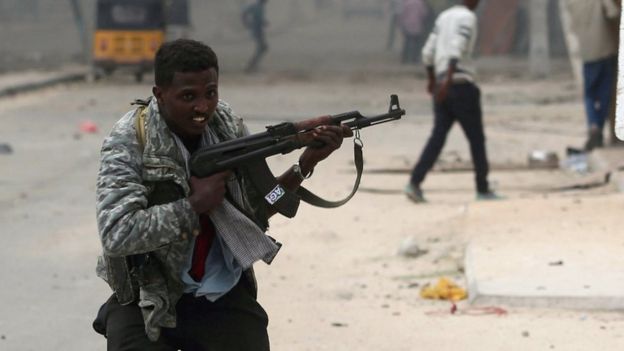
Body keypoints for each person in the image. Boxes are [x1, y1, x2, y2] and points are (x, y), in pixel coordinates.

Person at [92, 39, 351, 350]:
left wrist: (305, 163)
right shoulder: (130, 140)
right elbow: (117, 233)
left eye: (210, 93)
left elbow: (256, 212)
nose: (202, 107)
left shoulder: (225, 124)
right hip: (148, 294)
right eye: (188, 97)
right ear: (159, 95)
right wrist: (192, 207)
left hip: (219, 292)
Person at [405, 0, 500, 203]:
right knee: (476, 139)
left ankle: (414, 182)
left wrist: (433, 81)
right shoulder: (468, 17)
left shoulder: (444, 17)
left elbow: (428, 52)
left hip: (442, 85)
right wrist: (448, 81)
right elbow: (457, 48)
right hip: (460, 85)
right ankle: (482, 188)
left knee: (437, 137)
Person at [564, 0, 620, 151]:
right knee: (604, 94)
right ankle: (598, 127)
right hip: (605, 49)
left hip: (586, 52)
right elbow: (614, 13)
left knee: (589, 94)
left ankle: (593, 125)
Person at [399, 0, 430, 64]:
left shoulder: (407, 2)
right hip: (417, 25)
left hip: (407, 25)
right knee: (416, 43)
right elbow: (424, 14)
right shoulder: (420, 3)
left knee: (407, 42)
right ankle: (414, 58)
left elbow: (402, 14)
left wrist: (401, 24)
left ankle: (404, 58)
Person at [242, 0, 269, 73]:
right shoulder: (256, 6)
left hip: (258, 31)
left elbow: (257, 18)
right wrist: (246, 23)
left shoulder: (259, 7)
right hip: (257, 31)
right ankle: (250, 66)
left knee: (263, 48)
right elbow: (244, 13)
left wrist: (263, 22)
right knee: (263, 48)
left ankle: (252, 66)